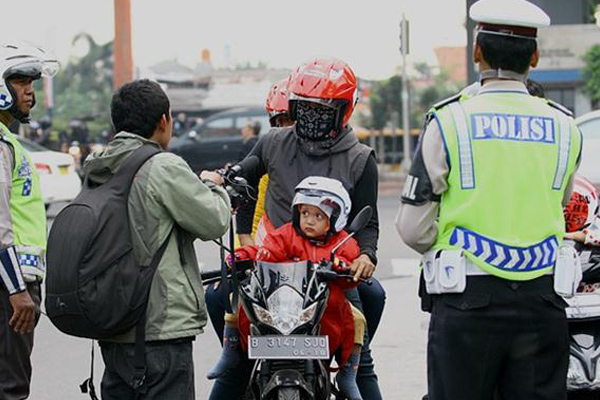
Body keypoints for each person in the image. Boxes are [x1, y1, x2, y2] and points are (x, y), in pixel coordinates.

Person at [396, 0, 582, 399]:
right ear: (534, 56)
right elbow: (562, 200)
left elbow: (413, 228)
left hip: (467, 304)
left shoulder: (449, 121)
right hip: (542, 301)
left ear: (476, 52)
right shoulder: (567, 127)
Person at [208, 57, 384, 400]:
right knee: (217, 297)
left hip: (330, 269)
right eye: (303, 109)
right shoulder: (274, 141)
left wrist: (367, 255)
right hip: (274, 266)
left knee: (373, 300)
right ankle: (237, 359)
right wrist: (223, 179)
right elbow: (247, 171)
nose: (310, 118)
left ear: (343, 110)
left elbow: (369, 222)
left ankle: (350, 365)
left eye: (321, 111)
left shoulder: (361, 158)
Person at [83, 79, 231, 400]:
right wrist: (214, 185)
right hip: (159, 329)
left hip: (114, 322)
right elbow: (214, 220)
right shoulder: (161, 165)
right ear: (163, 120)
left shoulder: (99, 164)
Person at [210, 177, 367, 400]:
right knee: (237, 305)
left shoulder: (343, 243)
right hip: (281, 302)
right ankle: (231, 352)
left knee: (358, 318)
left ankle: (347, 374)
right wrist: (242, 256)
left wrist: (344, 267)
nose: (309, 221)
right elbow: (264, 253)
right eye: (305, 214)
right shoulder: (285, 235)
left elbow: (350, 277)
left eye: (318, 216)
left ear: (335, 218)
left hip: (323, 307)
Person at [0, 41, 58, 400]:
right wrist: (17, 290)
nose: (30, 93)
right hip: (9, 287)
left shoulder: (10, 141)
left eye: (32, 84)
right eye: (21, 83)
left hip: (12, 283)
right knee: (11, 388)